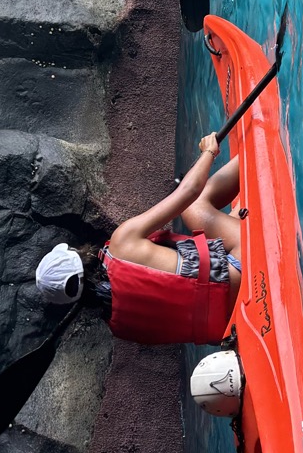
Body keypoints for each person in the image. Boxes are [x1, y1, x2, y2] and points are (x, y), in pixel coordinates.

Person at [35, 132, 242, 347]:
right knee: (194, 209)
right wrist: (209, 151)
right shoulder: (121, 244)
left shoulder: (119, 326)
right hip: (241, 267)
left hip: (233, 321)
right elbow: (189, 191)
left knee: (232, 217)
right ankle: (257, 140)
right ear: (75, 254)